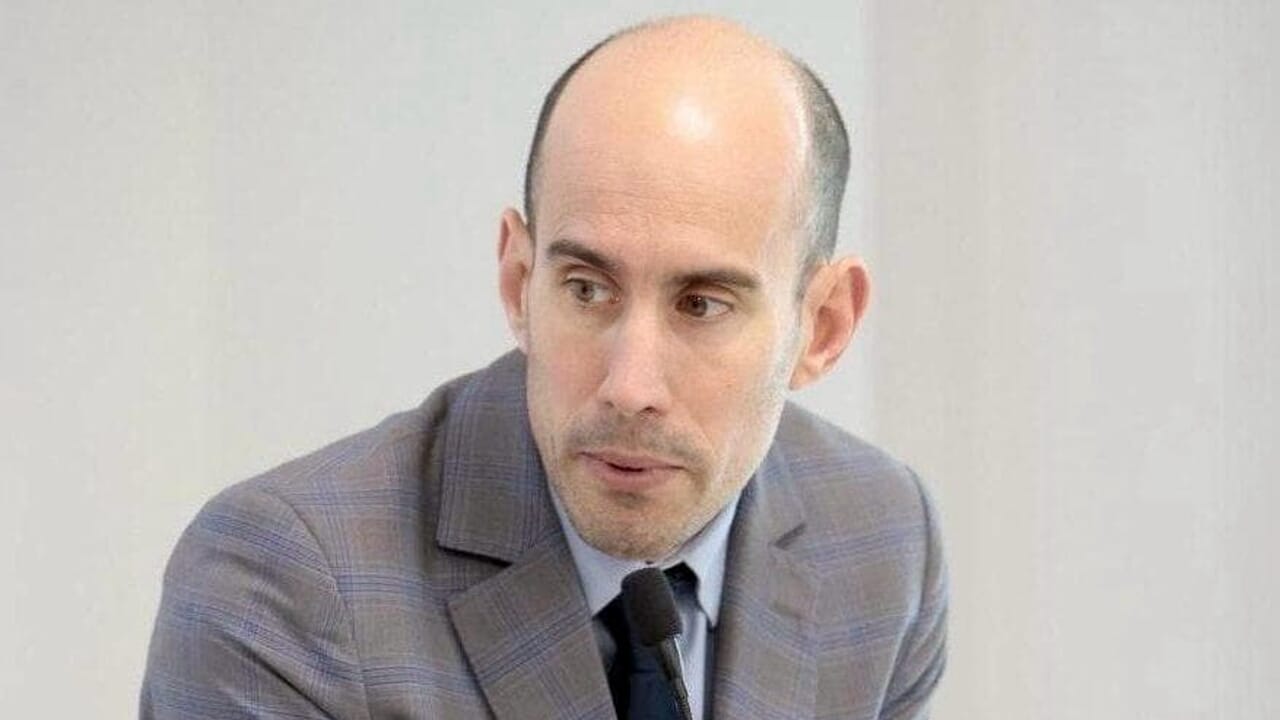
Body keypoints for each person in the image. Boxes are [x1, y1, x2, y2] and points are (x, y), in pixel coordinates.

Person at [141, 15, 947, 720]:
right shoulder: (280, 587)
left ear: (824, 327)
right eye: (587, 289)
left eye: (701, 305)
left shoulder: (881, 538)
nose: (630, 387)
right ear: (518, 282)